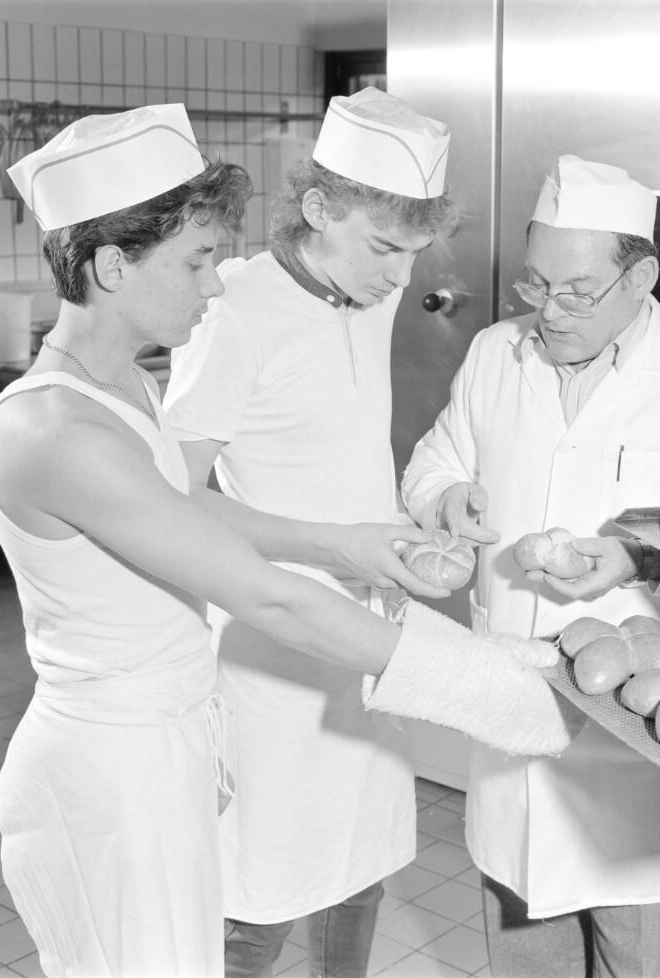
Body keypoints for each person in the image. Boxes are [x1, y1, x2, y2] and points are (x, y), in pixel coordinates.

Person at [0, 104, 573, 978]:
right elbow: (269, 596)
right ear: (113, 265)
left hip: (167, 742)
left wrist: (351, 548)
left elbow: (179, 513)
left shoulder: (121, 393)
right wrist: (475, 679)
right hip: (111, 770)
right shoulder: (56, 431)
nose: (214, 285)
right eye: (197, 261)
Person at [162, 87, 465, 978]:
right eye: (384, 247)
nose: (400, 278)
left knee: (359, 866)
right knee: (262, 888)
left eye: (413, 253)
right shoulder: (233, 312)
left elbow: (339, 457)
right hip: (273, 647)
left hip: (368, 633)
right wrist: (334, 545)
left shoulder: (365, 296)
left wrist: (411, 526)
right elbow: (172, 500)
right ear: (320, 208)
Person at [402, 155, 660, 978]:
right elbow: (433, 461)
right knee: (521, 930)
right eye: (536, 285)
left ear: (640, 278)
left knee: (637, 945)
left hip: (634, 726)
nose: (548, 311)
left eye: (578, 292)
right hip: (509, 698)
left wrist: (638, 558)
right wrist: (449, 497)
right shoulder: (494, 351)